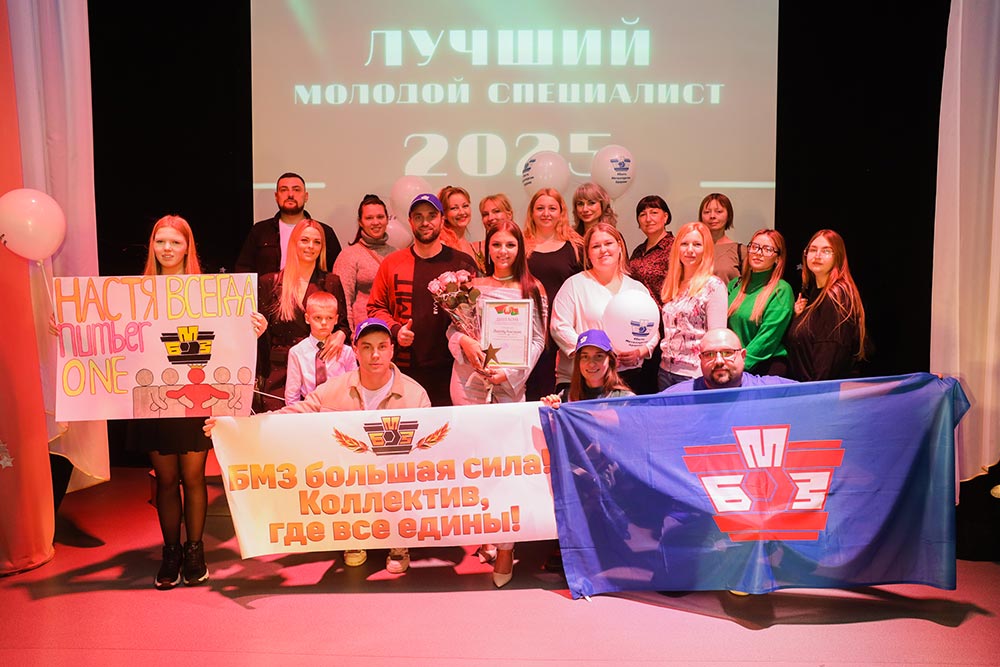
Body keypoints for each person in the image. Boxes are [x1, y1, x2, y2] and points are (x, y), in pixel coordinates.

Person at [206, 317, 430, 574]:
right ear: (355, 351)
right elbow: (296, 413)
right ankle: (354, 535)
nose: (375, 355)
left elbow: (430, 450)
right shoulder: (334, 389)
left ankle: (398, 541)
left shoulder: (415, 395)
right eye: (367, 347)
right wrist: (237, 426)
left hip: (393, 474)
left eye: (382, 346)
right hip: (350, 474)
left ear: (392, 349)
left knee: (403, 477)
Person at [141, 215, 267, 590]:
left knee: (193, 477)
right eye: (160, 241)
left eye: (175, 242)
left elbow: (230, 339)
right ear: (152, 246)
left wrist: (254, 329)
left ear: (187, 248)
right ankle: (171, 552)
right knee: (166, 479)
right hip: (155, 398)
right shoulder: (134, 294)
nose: (167, 248)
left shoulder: (210, 292)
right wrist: (71, 330)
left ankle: (195, 551)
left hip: (197, 399)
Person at [447, 221, 546, 587]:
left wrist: (511, 373)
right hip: (469, 384)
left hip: (508, 386)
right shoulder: (471, 286)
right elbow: (453, 330)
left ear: (520, 249)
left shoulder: (532, 288)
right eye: (496, 245)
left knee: (506, 469)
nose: (503, 251)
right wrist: (464, 342)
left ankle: (506, 546)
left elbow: (537, 340)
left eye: (510, 245)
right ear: (487, 248)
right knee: (477, 466)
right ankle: (487, 533)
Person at [367, 193, 479, 406]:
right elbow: (375, 307)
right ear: (410, 221)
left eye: (431, 216)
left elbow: (478, 315)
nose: (425, 222)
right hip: (406, 370)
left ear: (442, 220)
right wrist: (396, 330)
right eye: (418, 217)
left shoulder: (463, 263)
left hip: (455, 370)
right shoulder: (392, 263)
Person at [550, 223, 657, 393]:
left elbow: (652, 329)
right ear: (588, 253)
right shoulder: (574, 285)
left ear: (619, 247)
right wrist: (591, 353)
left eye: (608, 243)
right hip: (583, 378)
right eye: (596, 246)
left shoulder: (636, 288)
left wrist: (640, 351)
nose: (603, 250)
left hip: (627, 376)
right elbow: (559, 326)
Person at [258, 219, 351, 411]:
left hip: (319, 369)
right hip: (279, 372)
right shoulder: (270, 283)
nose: (311, 246)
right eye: (305, 240)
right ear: (294, 242)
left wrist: (341, 334)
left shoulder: (331, 282)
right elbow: (260, 335)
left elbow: (343, 325)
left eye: (317, 242)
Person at [522, 188, 583, 400]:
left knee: (558, 393)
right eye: (540, 208)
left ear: (561, 212)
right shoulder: (520, 246)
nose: (546, 213)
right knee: (531, 390)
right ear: (531, 213)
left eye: (552, 208)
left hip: (564, 331)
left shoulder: (575, 247)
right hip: (529, 331)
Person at [786, 230, 868, 381]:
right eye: (813, 250)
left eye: (826, 251)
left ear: (838, 256)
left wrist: (817, 393)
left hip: (820, 391)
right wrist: (798, 318)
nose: (817, 255)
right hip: (807, 388)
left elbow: (827, 358)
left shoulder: (836, 295)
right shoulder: (815, 293)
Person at [658, 222, 728, 389]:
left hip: (694, 374)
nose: (690, 250)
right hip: (665, 370)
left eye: (697, 244)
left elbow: (716, 339)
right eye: (684, 244)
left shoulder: (714, 286)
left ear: (706, 250)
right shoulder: (673, 284)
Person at [235, 172, 343, 275]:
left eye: (296, 190)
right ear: (276, 196)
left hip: (312, 288)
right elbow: (243, 269)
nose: (290, 194)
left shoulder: (324, 232)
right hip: (268, 288)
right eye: (284, 190)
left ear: (306, 196)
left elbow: (338, 271)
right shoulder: (259, 231)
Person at [726, 228, 794, 376]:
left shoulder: (781, 290)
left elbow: (768, 337)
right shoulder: (734, 285)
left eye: (767, 249)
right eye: (755, 246)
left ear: (777, 258)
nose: (758, 253)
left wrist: (739, 365)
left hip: (764, 368)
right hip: (732, 365)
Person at [628, 195, 676, 393]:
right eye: (643, 214)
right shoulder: (638, 251)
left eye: (654, 212)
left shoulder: (675, 247)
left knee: (658, 384)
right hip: (641, 325)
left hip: (666, 326)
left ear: (666, 216)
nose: (648, 218)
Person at [332, 194, 398, 334]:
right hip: (363, 333)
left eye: (380, 217)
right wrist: (350, 334)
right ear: (360, 222)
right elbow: (343, 302)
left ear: (387, 219)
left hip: (392, 333)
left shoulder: (397, 254)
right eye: (369, 218)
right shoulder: (349, 256)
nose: (375, 222)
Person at [663, 328, 794, 392]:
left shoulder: (773, 391)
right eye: (709, 354)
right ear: (700, 359)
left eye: (727, 353)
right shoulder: (677, 398)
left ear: (743, 356)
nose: (719, 361)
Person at [284, 291, 358, 405]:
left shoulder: (346, 352)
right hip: (309, 409)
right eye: (318, 317)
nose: (324, 323)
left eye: (329, 318)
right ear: (307, 318)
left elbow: (355, 385)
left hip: (340, 408)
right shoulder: (297, 352)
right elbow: (292, 394)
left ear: (336, 319)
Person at [541, 329, 635, 407]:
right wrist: (550, 409)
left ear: (610, 360)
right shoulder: (565, 397)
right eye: (585, 357)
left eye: (599, 356)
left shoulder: (625, 400)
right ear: (578, 362)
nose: (591, 364)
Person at [438, 185, 485, 272]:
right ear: (444, 214)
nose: (462, 212)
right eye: (454, 208)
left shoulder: (472, 247)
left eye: (465, 206)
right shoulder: (441, 245)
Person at [699, 193, 743, 283]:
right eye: (707, 212)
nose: (712, 216)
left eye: (719, 212)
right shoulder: (691, 248)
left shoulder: (740, 251)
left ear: (728, 215)